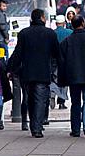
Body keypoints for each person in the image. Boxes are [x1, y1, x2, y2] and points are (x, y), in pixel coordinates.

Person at [8, 9, 60, 138]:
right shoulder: (50, 34)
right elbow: (57, 54)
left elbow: (18, 53)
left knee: (30, 99)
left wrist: (10, 68)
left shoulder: (24, 33)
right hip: (43, 72)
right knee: (40, 100)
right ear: (42, 18)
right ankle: (37, 127)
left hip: (27, 73)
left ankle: (33, 125)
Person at [51, 15, 72, 110]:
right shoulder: (69, 33)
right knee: (64, 81)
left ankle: (52, 95)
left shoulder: (52, 33)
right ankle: (61, 101)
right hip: (66, 61)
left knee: (53, 79)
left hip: (54, 61)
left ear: (56, 24)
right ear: (64, 23)